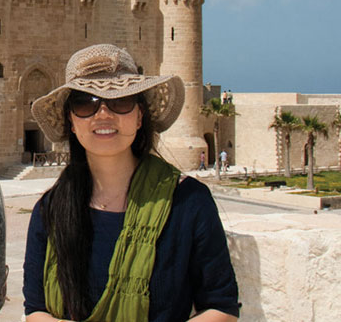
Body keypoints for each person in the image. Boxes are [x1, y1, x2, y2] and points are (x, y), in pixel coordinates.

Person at [23, 44, 238, 322]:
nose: (103, 114)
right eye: (85, 102)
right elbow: (36, 310)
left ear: (139, 116)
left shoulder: (188, 203)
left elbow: (222, 307)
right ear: (71, 121)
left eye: (121, 101)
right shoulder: (50, 210)